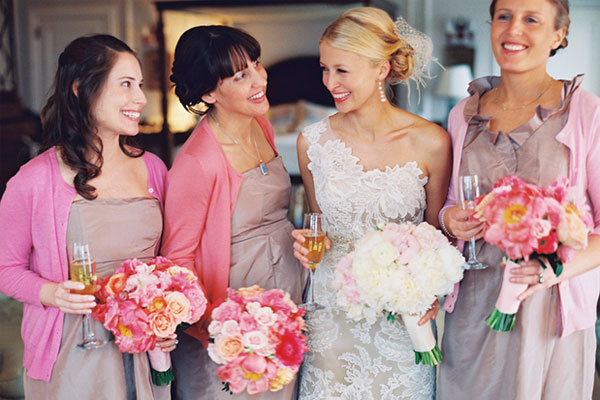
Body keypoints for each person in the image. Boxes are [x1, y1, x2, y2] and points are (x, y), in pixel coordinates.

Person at [437, 0, 600, 399]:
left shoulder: (586, 111)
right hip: (474, 307)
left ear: (558, 35)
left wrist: (553, 272)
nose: (514, 30)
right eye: (504, 17)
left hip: (549, 310)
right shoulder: (463, 114)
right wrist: (448, 219)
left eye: (532, 20)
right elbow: (448, 201)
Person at [0, 35, 174, 399]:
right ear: (82, 89)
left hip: (144, 350)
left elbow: (168, 262)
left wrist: (169, 313)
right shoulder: (33, 180)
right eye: (126, 84)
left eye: (139, 85)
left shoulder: (155, 169)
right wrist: (50, 292)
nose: (140, 99)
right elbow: (5, 268)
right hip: (73, 352)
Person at [290, 7, 451, 399]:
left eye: (342, 70)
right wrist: (307, 247)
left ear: (381, 68)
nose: (330, 82)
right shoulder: (312, 142)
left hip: (401, 322)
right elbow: (317, 227)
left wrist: (430, 294)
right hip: (331, 321)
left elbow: (440, 237)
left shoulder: (431, 142)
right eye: (325, 69)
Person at [161, 25, 308, 400]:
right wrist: (219, 327)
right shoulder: (196, 161)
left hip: (284, 295)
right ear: (209, 93)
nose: (260, 79)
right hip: (233, 313)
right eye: (241, 75)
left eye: (256, 64)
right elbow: (178, 259)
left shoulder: (260, 123)